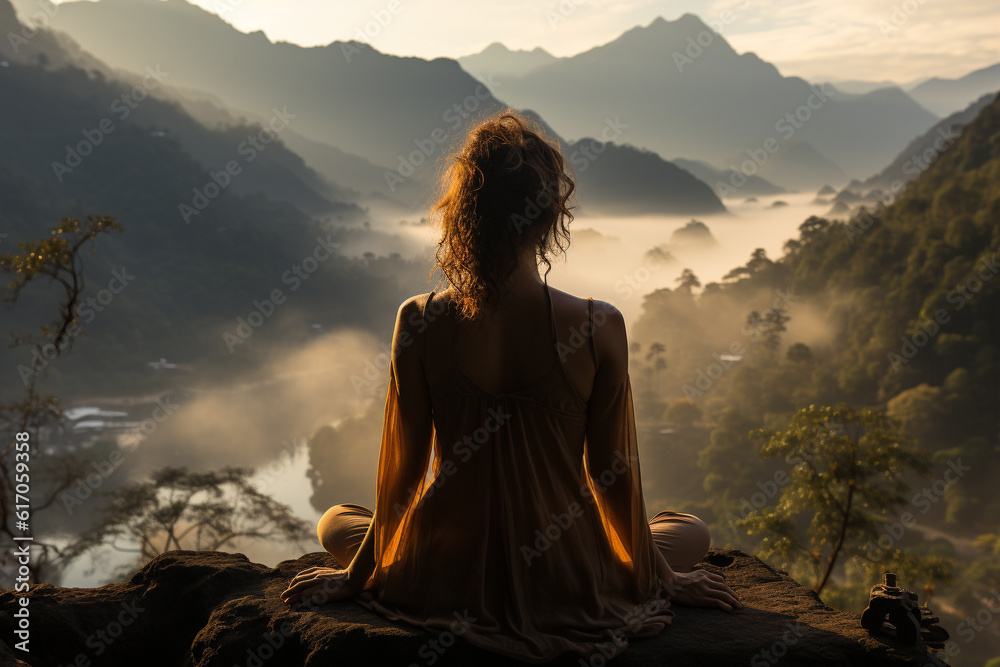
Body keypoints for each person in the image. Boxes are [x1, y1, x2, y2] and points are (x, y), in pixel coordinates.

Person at [281, 110, 740, 663]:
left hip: (446, 565)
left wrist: (357, 577)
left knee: (336, 521)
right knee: (688, 529)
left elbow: (404, 473)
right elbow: (609, 473)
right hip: (565, 572)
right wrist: (659, 574)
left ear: (462, 216)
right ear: (550, 217)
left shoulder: (418, 320)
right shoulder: (598, 326)